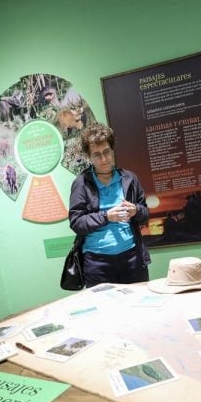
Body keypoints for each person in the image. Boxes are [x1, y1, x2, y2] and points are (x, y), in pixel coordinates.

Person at [68, 123, 151, 287]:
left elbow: (145, 212)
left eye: (107, 152)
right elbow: (76, 222)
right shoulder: (81, 183)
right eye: (97, 155)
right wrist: (106, 216)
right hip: (97, 263)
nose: (104, 159)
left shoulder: (129, 179)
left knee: (139, 307)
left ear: (112, 150)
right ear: (89, 157)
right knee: (105, 310)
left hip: (132, 257)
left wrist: (136, 211)